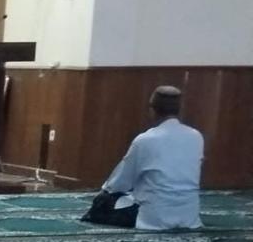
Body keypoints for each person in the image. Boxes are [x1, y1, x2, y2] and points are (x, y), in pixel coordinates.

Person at [82, 86, 203, 231]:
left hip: (153, 218)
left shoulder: (146, 139)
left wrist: (104, 191)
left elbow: (120, 183)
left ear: (152, 110)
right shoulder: (196, 137)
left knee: (104, 200)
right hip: (189, 216)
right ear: (179, 110)